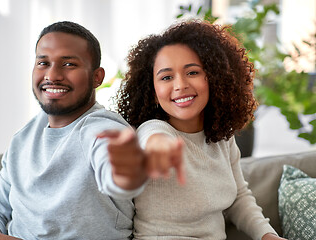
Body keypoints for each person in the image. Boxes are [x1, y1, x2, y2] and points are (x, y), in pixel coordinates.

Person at [0, 21, 147, 240]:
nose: (52, 75)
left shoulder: (104, 128)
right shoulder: (22, 140)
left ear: (97, 77)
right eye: (43, 63)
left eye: (69, 64)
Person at [115, 20, 286, 240]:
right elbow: (155, 141)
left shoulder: (222, 139)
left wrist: (267, 235)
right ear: (152, 90)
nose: (180, 85)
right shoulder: (153, 130)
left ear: (214, 77)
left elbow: (239, 198)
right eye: (166, 77)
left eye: (192, 72)